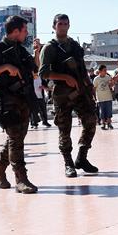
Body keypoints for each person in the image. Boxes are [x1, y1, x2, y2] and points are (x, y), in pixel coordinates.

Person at [0, 15, 38, 193]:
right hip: (7, 101)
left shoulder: (21, 50)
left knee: (17, 139)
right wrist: (5, 67)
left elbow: (35, 71)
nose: (26, 33)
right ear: (15, 31)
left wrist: (37, 52)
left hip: (24, 99)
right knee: (15, 140)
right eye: (25, 30)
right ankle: (21, 179)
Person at [40, 13, 99, 178]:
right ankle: (68, 164)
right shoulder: (49, 48)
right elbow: (43, 73)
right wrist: (65, 77)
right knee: (64, 129)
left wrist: (89, 85)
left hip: (80, 90)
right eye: (60, 24)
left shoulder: (74, 45)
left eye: (66, 23)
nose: (63, 26)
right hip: (62, 94)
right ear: (54, 27)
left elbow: (81, 68)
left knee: (91, 121)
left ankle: (82, 157)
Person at [93, 65, 114, 130]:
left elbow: (111, 86)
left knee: (109, 111)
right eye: (104, 70)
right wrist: (94, 97)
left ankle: (109, 123)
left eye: (106, 70)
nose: (106, 71)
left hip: (108, 97)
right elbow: (94, 88)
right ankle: (103, 124)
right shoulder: (96, 79)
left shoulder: (108, 77)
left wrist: (111, 83)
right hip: (100, 98)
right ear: (100, 71)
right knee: (102, 112)